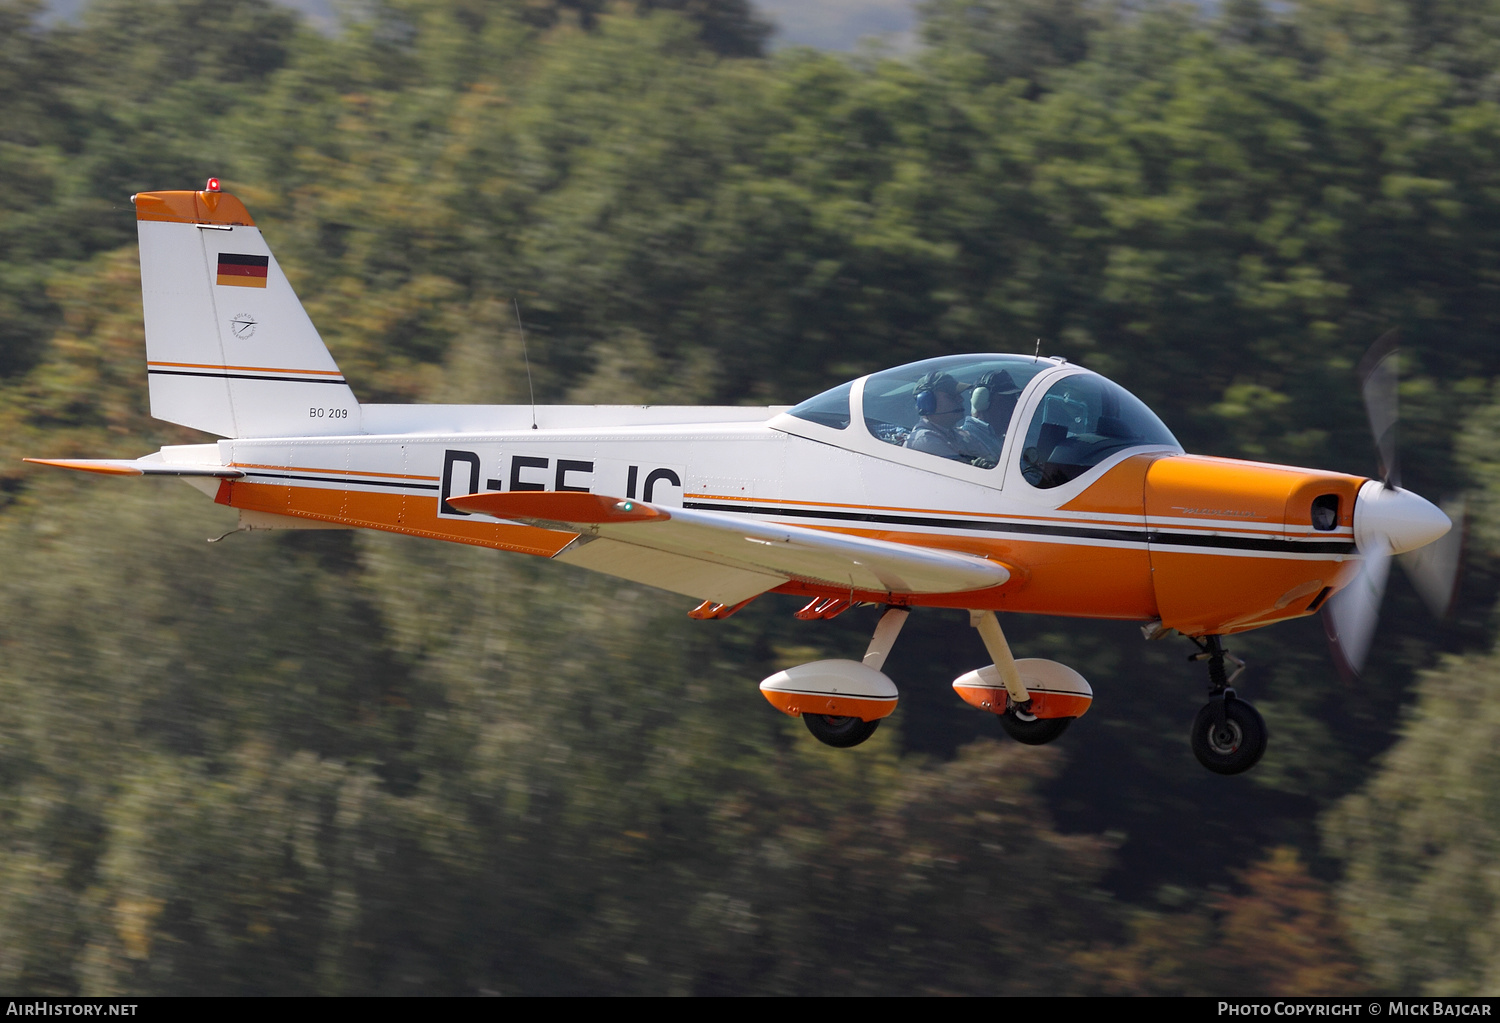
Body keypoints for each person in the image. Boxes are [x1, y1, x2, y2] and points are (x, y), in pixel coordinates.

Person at [905, 371, 991, 465]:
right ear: (927, 403)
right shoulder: (924, 440)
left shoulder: (959, 435)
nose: (961, 399)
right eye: (952, 396)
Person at [957, 369, 1022, 466]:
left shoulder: (1004, 439)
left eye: (1014, 400)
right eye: (1005, 401)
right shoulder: (962, 440)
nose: (1013, 407)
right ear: (981, 402)